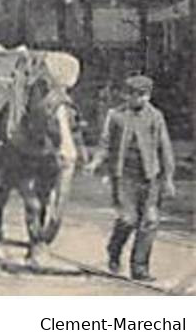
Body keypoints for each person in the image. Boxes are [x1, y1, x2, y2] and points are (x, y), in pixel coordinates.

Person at [89, 74, 177, 281]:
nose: (141, 99)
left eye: (145, 95)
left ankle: (139, 268)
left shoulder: (156, 116)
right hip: (124, 177)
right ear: (126, 95)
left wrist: (168, 178)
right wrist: (95, 162)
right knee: (128, 219)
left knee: (150, 221)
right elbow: (105, 144)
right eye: (136, 95)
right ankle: (114, 248)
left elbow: (165, 148)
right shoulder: (115, 116)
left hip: (149, 177)